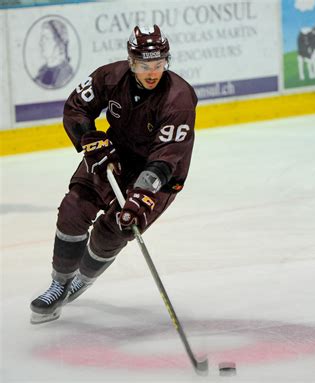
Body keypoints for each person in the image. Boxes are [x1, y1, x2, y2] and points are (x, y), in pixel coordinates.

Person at [30, 25, 197, 324]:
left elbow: (166, 156)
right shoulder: (109, 77)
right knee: (73, 209)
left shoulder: (179, 99)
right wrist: (89, 138)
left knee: (115, 230)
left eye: (159, 64)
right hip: (113, 156)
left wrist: (141, 194)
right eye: (145, 64)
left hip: (159, 173)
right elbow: (76, 108)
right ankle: (59, 283)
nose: (152, 72)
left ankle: (84, 278)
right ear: (132, 62)